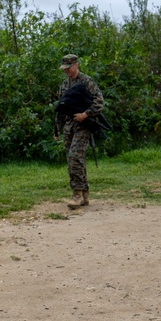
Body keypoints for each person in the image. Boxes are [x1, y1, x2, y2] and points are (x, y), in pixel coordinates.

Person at [54, 53, 104, 209]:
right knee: (73, 160)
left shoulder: (87, 82)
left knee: (75, 156)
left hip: (83, 125)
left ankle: (77, 194)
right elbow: (61, 107)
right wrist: (57, 128)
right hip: (69, 126)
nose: (66, 71)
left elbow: (99, 102)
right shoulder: (64, 84)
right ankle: (84, 194)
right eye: (64, 68)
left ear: (76, 65)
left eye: (68, 68)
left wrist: (85, 114)